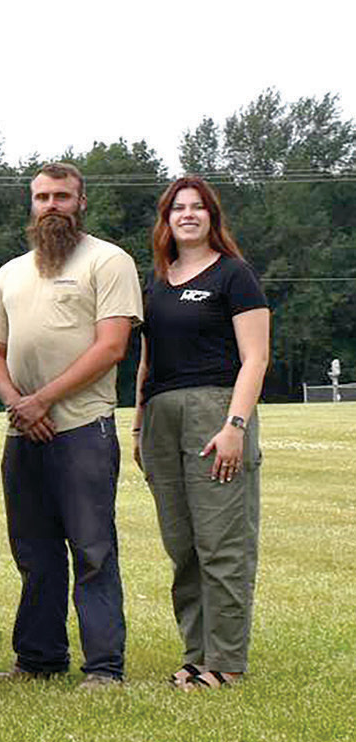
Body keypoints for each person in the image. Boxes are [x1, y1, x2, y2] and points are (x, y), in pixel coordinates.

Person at [0, 162, 141, 688]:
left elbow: (112, 345)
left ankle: (103, 667)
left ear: (81, 203)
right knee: (34, 551)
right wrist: (17, 404)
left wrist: (43, 400)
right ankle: (38, 659)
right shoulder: (10, 273)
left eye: (62, 196)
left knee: (92, 549)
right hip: (22, 432)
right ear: (30, 205)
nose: (51, 205)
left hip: (82, 428)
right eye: (42, 197)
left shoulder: (109, 261)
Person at [136, 176, 268, 690]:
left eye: (197, 207)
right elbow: (146, 359)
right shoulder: (158, 281)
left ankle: (228, 662)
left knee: (222, 544)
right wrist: (140, 422)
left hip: (216, 410)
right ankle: (197, 655)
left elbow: (255, 357)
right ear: (166, 220)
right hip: (162, 417)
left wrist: (235, 425)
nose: (187, 214)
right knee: (183, 546)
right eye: (177, 208)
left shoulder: (235, 275)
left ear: (212, 217)